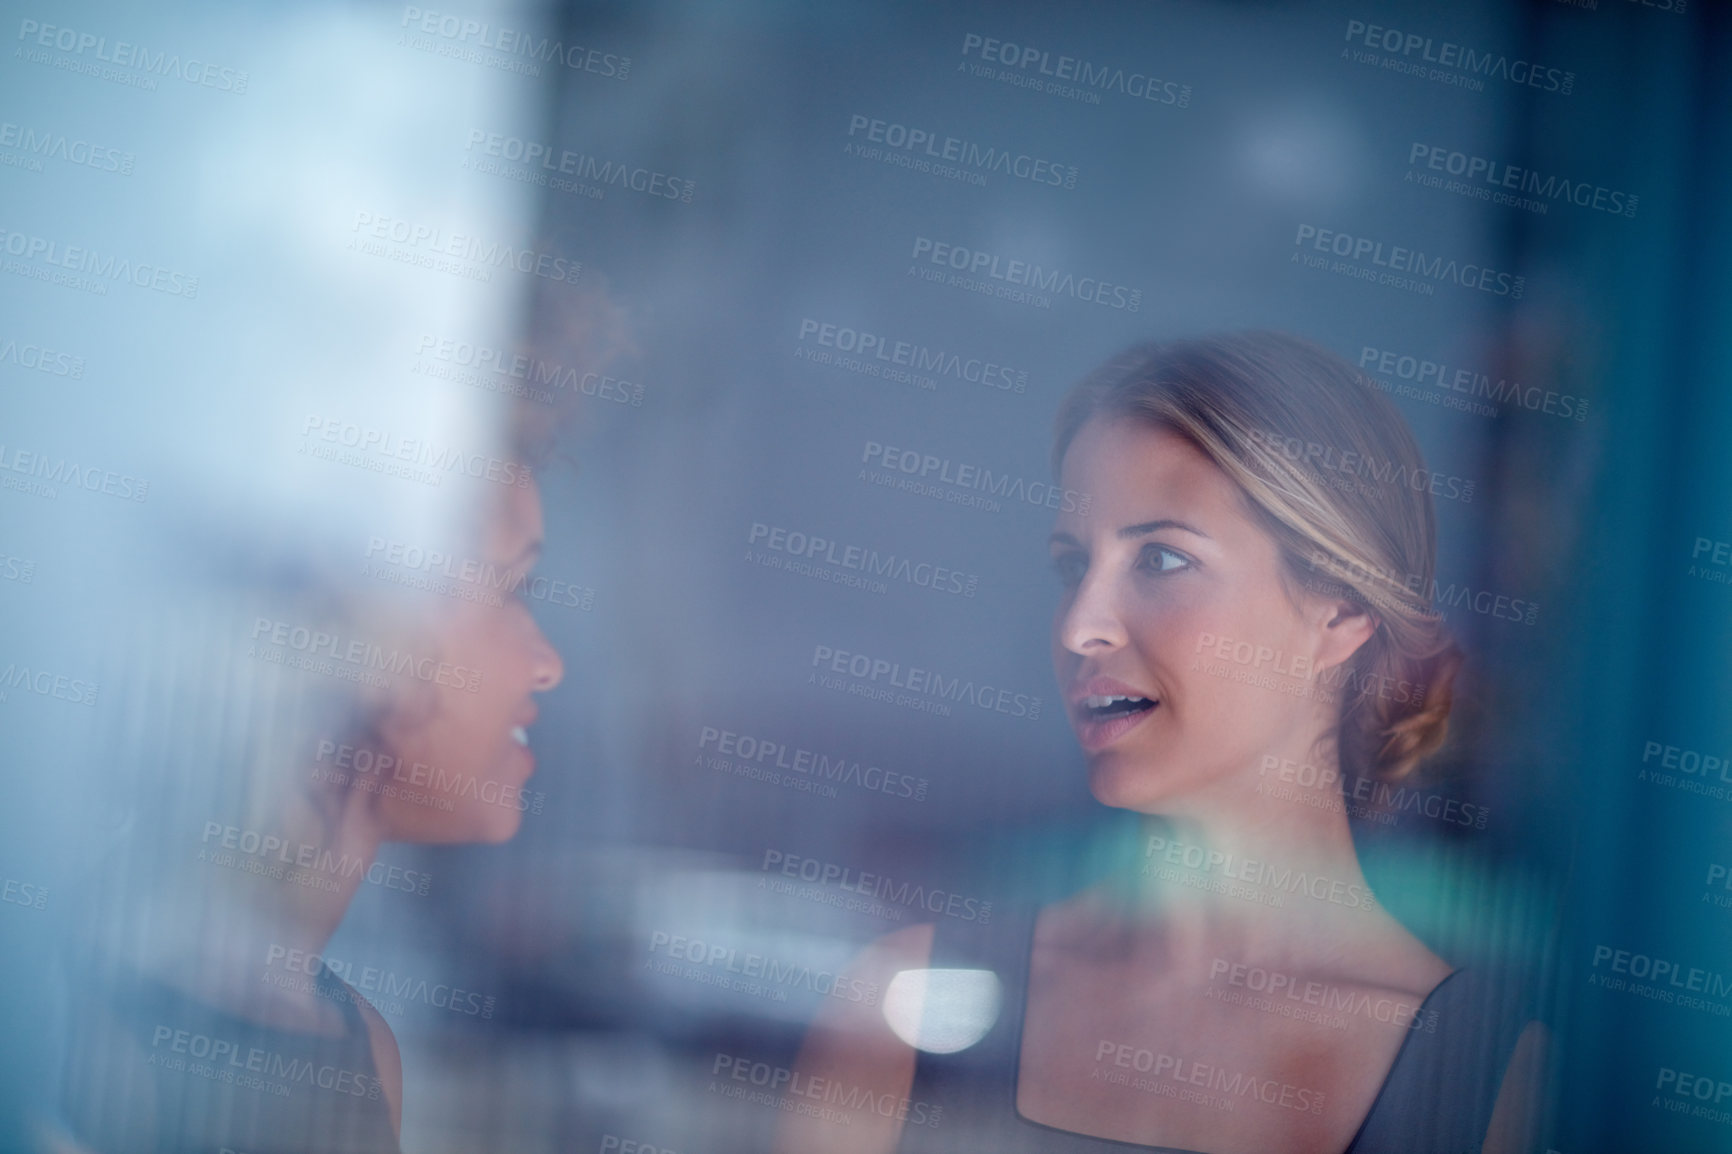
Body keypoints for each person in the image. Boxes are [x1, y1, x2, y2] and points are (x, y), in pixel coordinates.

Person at [777, 333, 1549, 1154]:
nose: (1081, 627)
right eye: (1073, 566)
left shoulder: (1490, 1073)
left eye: (1164, 558)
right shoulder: (917, 998)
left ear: (1341, 611)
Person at [48, 420, 565, 1154]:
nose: (548, 665)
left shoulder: (360, 1047)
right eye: (509, 590)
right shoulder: (66, 1018)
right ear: (359, 619)